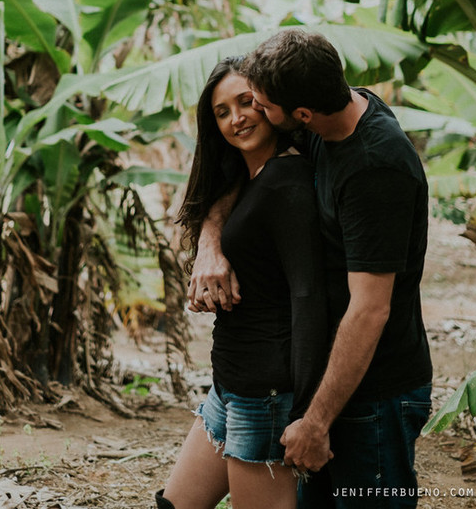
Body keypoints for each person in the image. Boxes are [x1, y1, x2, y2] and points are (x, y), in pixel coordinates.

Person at [190, 29, 433, 509]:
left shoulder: (374, 169)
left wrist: (315, 421)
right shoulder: (330, 114)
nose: (253, 112)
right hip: (334, 378)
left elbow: (369, 311)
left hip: (375, 391)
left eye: (260, 103)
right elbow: (247, 171)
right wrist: (210, 241)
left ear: (299, 115)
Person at [156, 58, 327, 509]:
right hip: (230, 384)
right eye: (222, 111)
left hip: (266, 393)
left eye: (246, 102)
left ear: (271, 105)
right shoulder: (249, 180)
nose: (237, 118)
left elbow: (309, 296)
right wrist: (210, 240)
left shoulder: (287, 184)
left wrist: (311, 413)